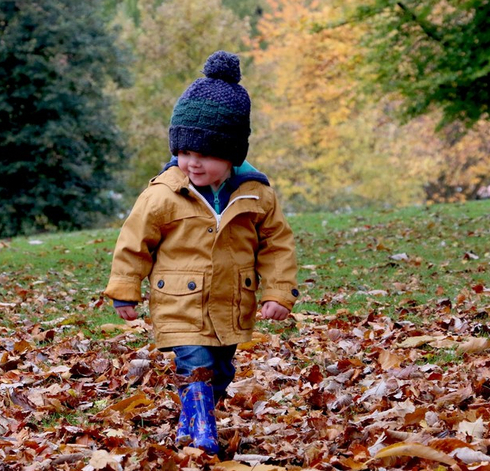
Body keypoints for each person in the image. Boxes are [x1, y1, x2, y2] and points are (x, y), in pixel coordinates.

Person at [104, 50, 299, 454]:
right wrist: (125, 287)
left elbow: (277, 245)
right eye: (185, 152)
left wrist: (278, 293)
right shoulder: (164, 193)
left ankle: (190, 421)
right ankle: (204, 433)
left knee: (222, 370)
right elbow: (134, 239)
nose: (192, 162)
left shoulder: (256, 194)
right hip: (179, 301)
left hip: (231, 304)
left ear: (231, 154)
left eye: (205, 154)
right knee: (195, 365)